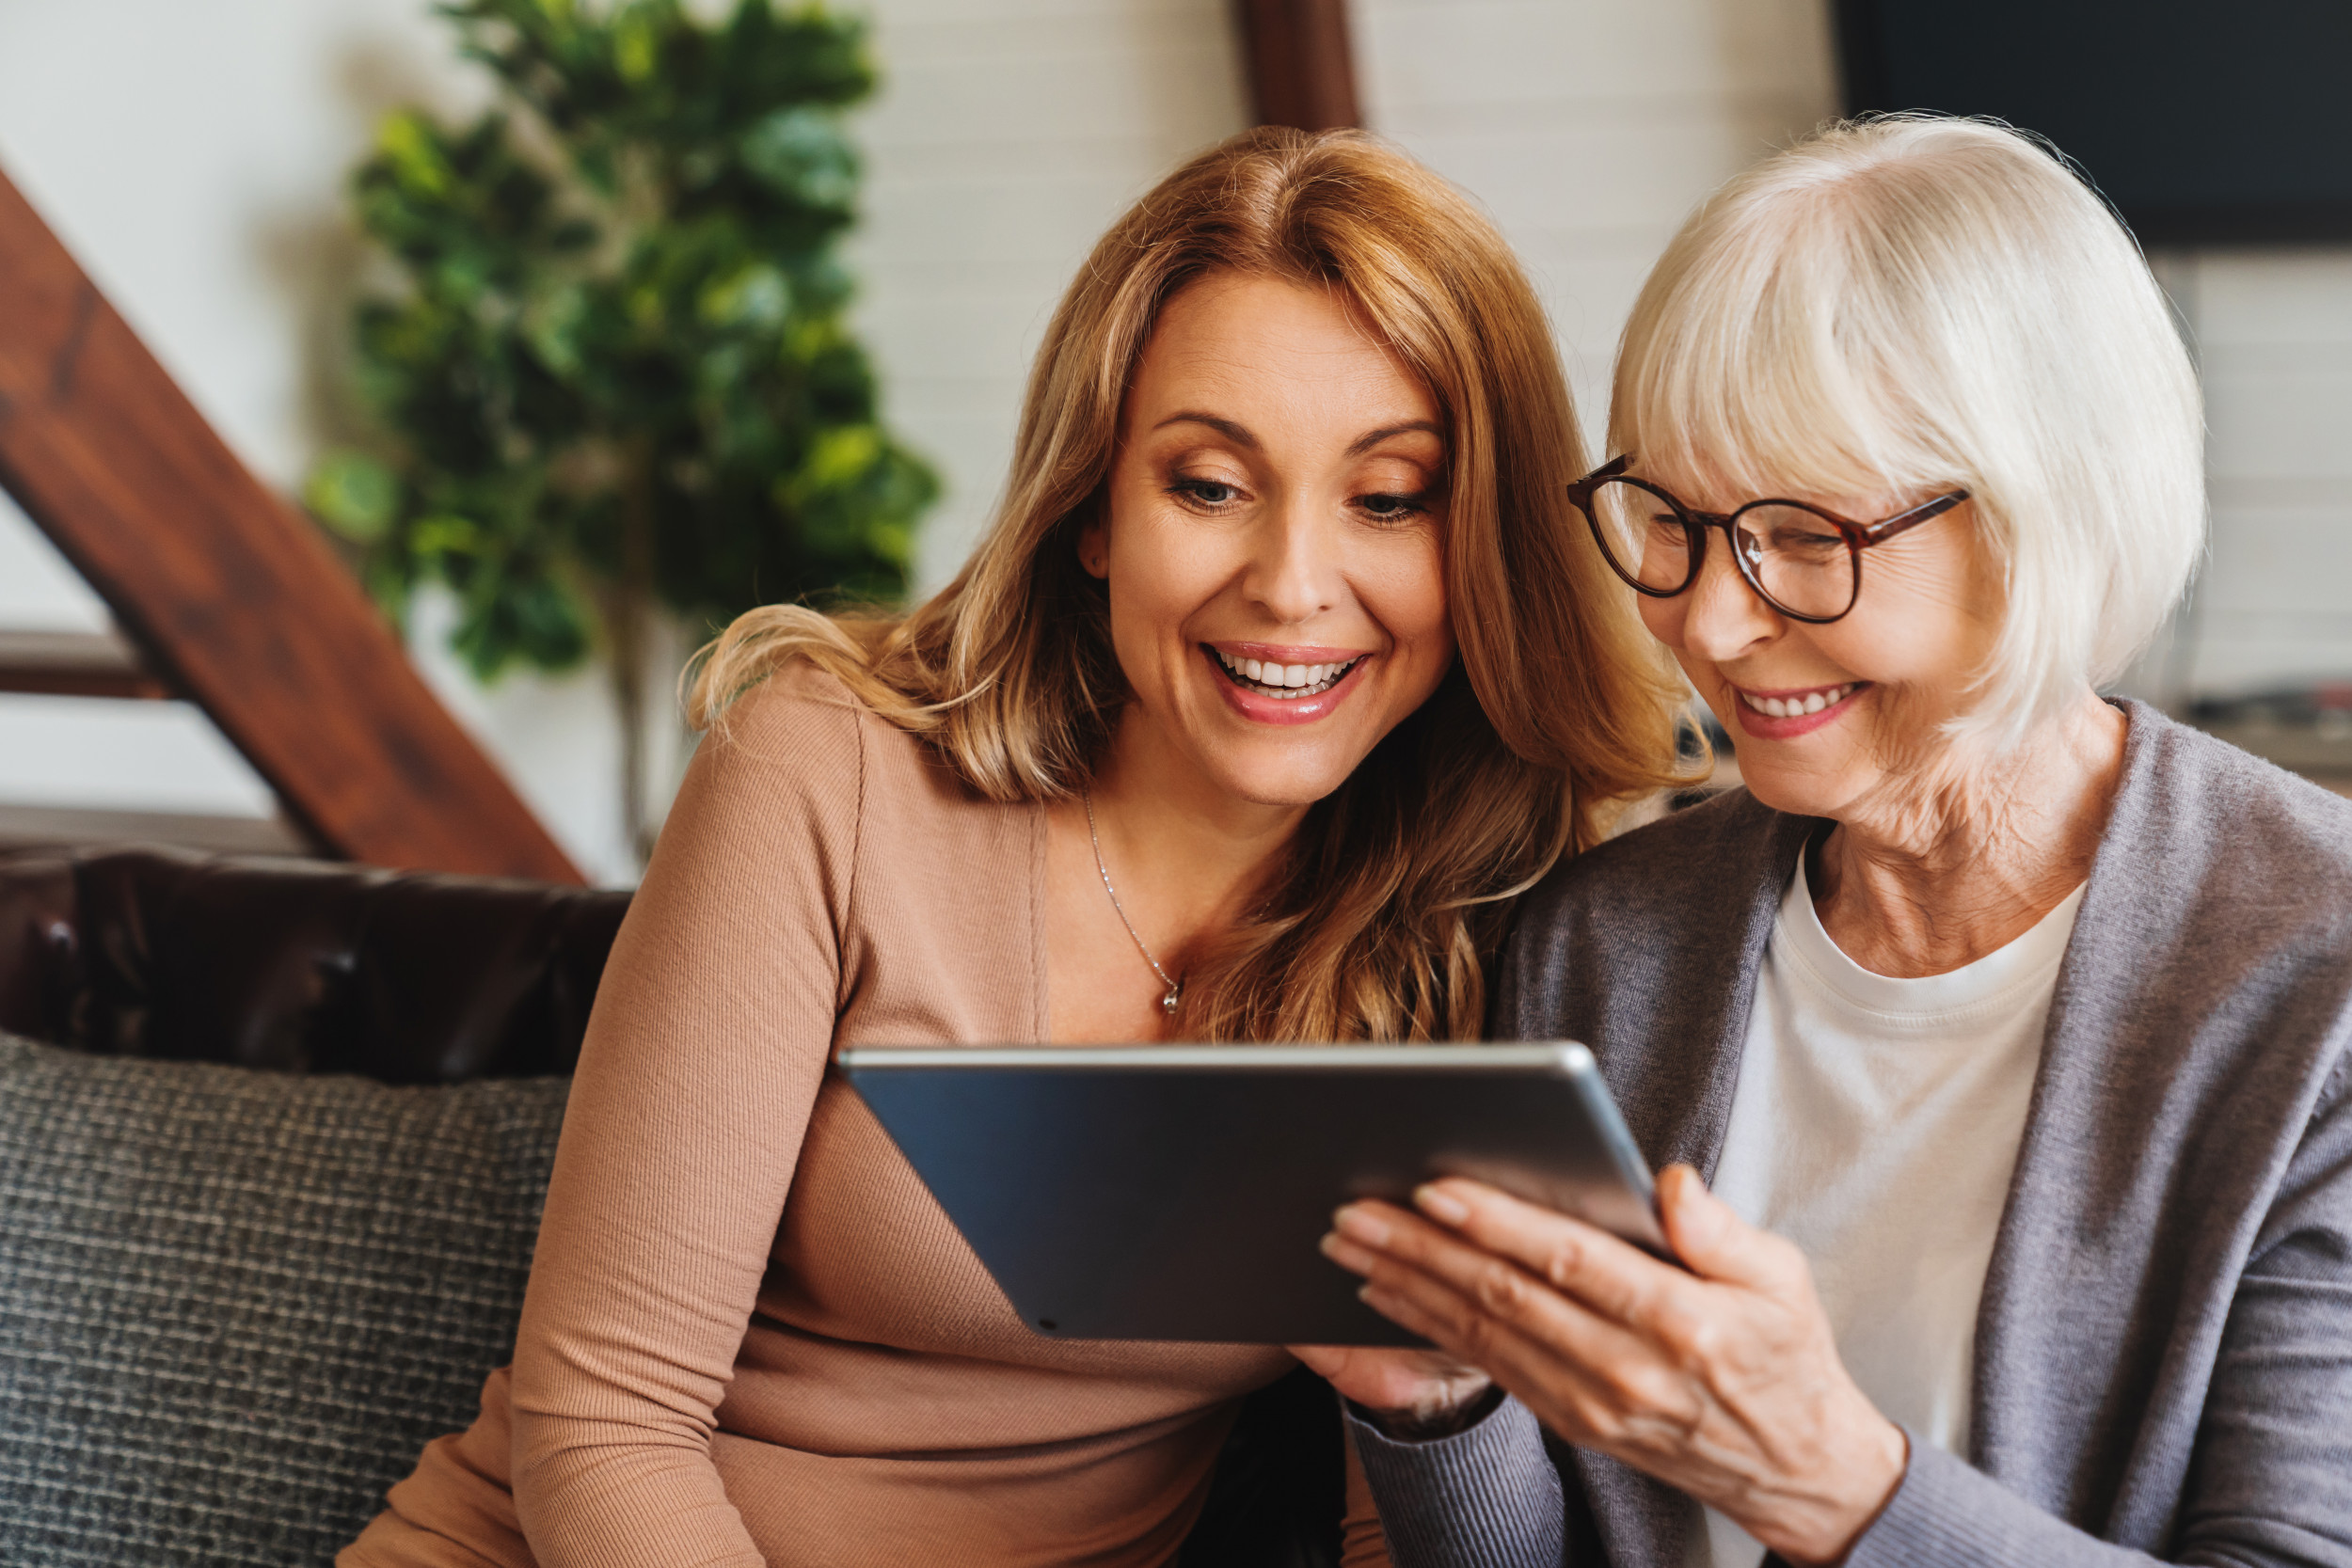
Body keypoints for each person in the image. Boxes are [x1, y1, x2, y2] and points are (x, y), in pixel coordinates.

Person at [340, 126, 1683, 1568]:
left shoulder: (1494, 921)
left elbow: (1404, 1536)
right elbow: (604, 1419)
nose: (1295, 586)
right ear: (1093, 511)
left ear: (1478, 545)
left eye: (1388, 497)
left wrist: (1439, 1416)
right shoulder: (827, 771)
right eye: (1210, 485)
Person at [1300, 116, 2352, 1567]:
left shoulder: (2321, 979)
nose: (1712, 627)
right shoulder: (1603, 941)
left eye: (1805, 533)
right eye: (1672, 518)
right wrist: (1442, 1409)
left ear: (2045, 506)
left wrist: (1829, 1483)